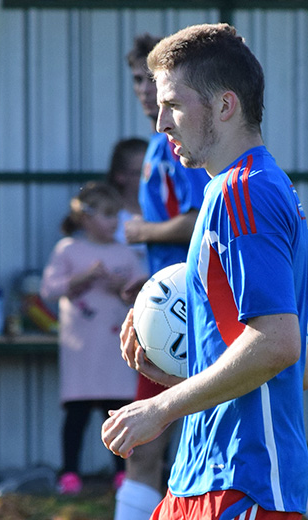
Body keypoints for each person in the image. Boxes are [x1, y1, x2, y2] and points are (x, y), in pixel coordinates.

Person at [101, 23, 308, 519]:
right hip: (203, 476)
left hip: (239, 482)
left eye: (173, 105)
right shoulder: (263, 186)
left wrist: (160, 408)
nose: (160, 123)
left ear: (225, 105)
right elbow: (301, 363)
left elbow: (278, 345)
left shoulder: (241, 193)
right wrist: (178, 367)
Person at [113, 34, 211, 520]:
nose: (144, 91)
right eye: (137, 80)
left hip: (186, 314)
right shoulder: (156, 145)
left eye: (152, 82)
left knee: (146, 443)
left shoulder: (179, 147)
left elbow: (202, 218)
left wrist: (143, 231)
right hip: (168, 308)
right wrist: (148, 282)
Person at [40, 182, 147, 494]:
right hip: (81, 349)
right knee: (77, 413)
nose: (114, 222)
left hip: (116, 349)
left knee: (118, 411)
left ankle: (122, 473)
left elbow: (142, 293)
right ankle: (70, 473)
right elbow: (49, 290)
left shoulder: (125, 254)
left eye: (116, 215)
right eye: (107, 215)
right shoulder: (68, 250)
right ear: (85, 218)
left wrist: (122, 288)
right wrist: (84, 277)